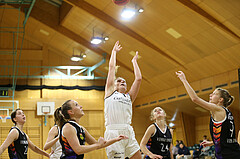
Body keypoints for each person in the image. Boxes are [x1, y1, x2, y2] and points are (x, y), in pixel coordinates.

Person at [176, 71, 240, 159]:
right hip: (233, 152)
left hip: (227, 155)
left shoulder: (218, 109)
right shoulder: (227, 112)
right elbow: (226, 137)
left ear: (220, 99)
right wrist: (212, 142)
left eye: (214, 94)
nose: (210, 95)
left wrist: (184, 80)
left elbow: (195, 99)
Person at [104, 41, 142, 159]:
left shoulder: (128, 97)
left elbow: (139, 79)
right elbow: (111, 69)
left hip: (128, 130)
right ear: (114, 85)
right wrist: (114, 52)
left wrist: (134, 62)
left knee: (137, 157)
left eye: (124, 81)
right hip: (113, 132)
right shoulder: (110, 93)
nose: (122, 82)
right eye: (119, 81)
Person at [56, 99, 128, 159]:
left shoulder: (81, 128)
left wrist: (116, 139)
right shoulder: (68, 127)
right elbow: (78, 150)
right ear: (70, 112)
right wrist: (98, 145)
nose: (81, 106)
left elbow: (98, 145)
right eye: (76, 105)